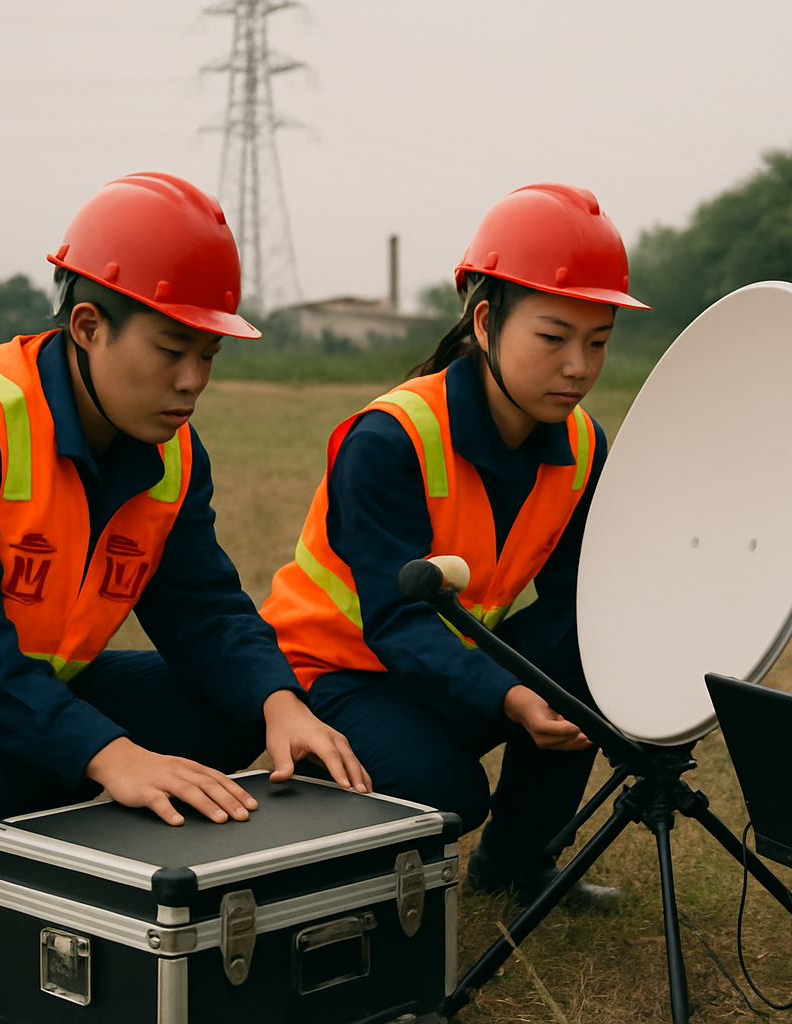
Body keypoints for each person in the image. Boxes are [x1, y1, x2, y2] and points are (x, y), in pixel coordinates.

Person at [0, 172, 368, 1020]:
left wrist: (280, 701)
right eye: (172, 351)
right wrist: (111, 755)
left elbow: (203, 610)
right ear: (88, 326)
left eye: (208, 355)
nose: (192, 381)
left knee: (233, 706)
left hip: (11, 687)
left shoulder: (171, 452)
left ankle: (16, 850)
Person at [261, 182, 645, 906]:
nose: (579, 367)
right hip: (337, 676)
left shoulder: (585, 445)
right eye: (554, 337)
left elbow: (577, 602)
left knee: (586, 637)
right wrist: (510, 697)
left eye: (598, 342)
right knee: (445, 794)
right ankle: (310, 801)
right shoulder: (390, 439)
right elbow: (396, 621)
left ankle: (519, 862)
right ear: (485, 321)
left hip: (447, 664)